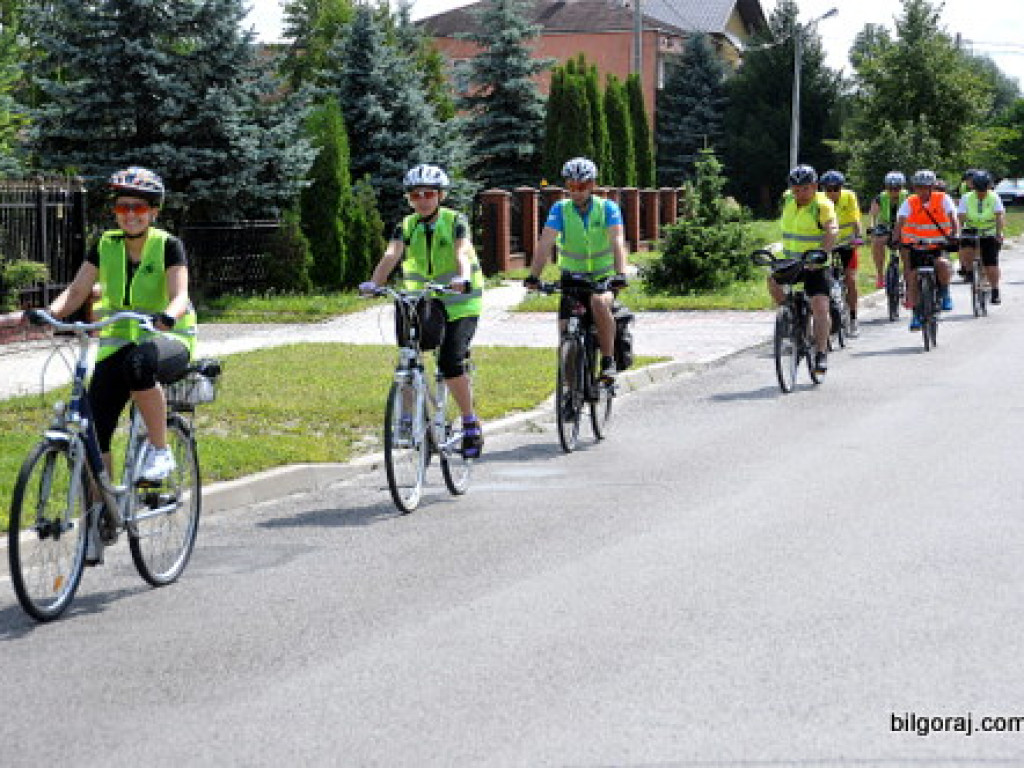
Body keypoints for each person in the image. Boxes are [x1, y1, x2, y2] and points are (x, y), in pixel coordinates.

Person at [29, 167, 196, 485]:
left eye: (139, 208)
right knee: (95, 428)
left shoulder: (168, 245)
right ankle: (101, 513)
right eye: (123, 207)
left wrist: (169, 317)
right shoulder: (106, 244)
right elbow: (77, 291)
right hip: (120, 339)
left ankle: (160, 450)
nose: (130, 215)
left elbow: (180, 295)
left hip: (169, 337)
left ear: (153, 212)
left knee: (139, 366)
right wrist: (48, 313)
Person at [360, 164, 485, 458]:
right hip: (422, 298)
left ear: (440, 195)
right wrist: (374, 283)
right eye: (415, 195)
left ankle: (470, 422)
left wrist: (462, 278)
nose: (422, 200)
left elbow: (461, 252)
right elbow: (392, 254)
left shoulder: (455, 220)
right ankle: (406, 419)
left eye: (428, 193)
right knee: (408, 356)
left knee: (451, 362)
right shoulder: (406, 225)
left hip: (460, 300)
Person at [524, 157, 629, 381]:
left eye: (581, 186)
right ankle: (571, 393)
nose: (576, 192)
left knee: (599, 303)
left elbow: (617, 240)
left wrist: (620, 274)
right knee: (565, 335)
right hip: (572, 278)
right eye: (571, 187)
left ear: (592, 185)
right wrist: (533, 276)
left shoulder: (607, 208)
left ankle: (608, 361)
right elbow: (545, 244)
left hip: (604, 277)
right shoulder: (560, 209)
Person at [772, 164, 838, 375]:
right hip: (792, 260)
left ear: (815, 186)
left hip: (816, 263)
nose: (800, 193)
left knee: (819, 306)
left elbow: (832, 229)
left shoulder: (823, 204)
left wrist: (823, 254)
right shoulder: (788, 200)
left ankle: (820, 353)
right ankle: (790, 319)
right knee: (772, 282)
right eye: (796, 189)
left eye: (805, 189)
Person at [894, 169, 958, 330]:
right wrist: (895, 238)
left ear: (932, 187)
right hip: (915, 244)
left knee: (942, 264)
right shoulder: (910, 201)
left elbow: (953, 217)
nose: (921, 191)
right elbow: (900, 221)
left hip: (937, 243)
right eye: (918, 187)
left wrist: (954, 234)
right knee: (912, 276)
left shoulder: (943, 198)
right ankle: (916, 314)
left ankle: (944, 293)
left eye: (925, 187)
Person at [820, 170, 863, 336]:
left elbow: (855, 219)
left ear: (841, 188)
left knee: (850, 279)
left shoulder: (849, 196)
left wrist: (857, 236)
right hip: (827, 244)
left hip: (846, 243)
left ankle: (853, 319)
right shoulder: (819, 200)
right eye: (828, 189)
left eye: (835, 188)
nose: (831, 193)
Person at [958, 170, 1005, 304]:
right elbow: (960, 216)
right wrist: (959, 231)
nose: (981, 192)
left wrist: (998, 232)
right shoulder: (966, 197)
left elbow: (999, 216)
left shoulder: (994, 197)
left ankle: (995, 289)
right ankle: (969, 271)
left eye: (983, 189)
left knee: (991, 263)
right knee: (965, 248)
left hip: (989, 231)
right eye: (978, 189)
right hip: (971, 229)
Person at [868, 171, 908, 289]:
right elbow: (873, 215)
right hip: (885, 225)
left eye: (897, 188)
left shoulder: (908, 196)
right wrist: (871, 227)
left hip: (904, 225)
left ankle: (907, 274)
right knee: (877, 242)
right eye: (890, 188)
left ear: (902, 187)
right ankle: (880, 275)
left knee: (907, 247)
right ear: (886, 187)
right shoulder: (881, 197)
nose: (894, 191)